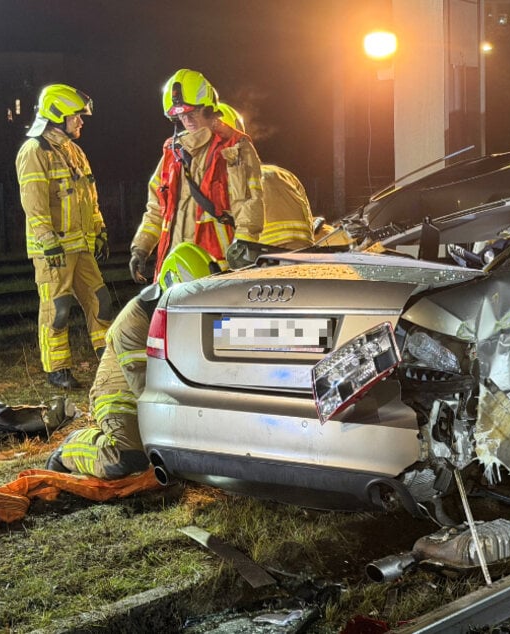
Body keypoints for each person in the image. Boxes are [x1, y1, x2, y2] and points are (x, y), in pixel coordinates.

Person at [46, 243, 217, 478]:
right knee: (127, 459)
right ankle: (71, 448)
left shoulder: (182, 312)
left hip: (157, 392)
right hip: (119, 395)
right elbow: (145, 388)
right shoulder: (134, 323)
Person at [15, 84, 113, 390]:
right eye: (76, 117)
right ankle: (57, 369)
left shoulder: (73, 151)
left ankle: (109, 361)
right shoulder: (34, 151)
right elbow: (34, 203)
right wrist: (47, 240)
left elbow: (89, 196)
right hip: (53, 250)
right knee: (56, 310)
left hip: (81, 245)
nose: (81, 122)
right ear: (58, 117)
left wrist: (100, 230)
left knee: (102, 302)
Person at [129, 69, 264, 284]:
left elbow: (250, 200)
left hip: (218, 265)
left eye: (192, 113)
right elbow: (156, 208)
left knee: (215, 319)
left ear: (208, 109)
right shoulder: (172, 153)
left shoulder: (235, 147)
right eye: (181, 115)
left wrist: (245, 242)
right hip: (174, 264)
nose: (187, 120)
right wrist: (141, 247)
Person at [215, 103, 315, 249]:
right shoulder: (283, 174)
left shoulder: (227, 183)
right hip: (303, 248)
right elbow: (307, 215)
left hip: (261, 254)